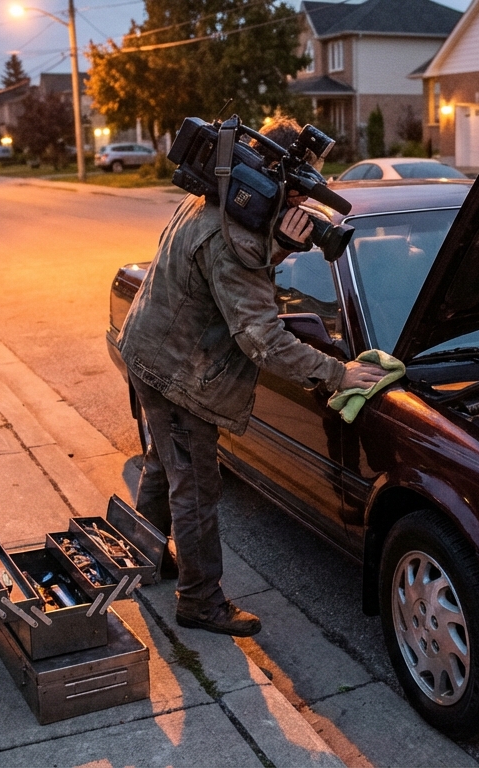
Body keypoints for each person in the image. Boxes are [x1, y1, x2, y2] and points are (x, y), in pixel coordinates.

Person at [119, 117, 387, 637]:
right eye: (297, 188)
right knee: (196, 486)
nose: (298, 203)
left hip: (149, 350)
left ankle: (141, 552)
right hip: (181, 373)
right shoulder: (236, 237)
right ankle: (199, 601)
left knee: (165, 464)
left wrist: (277, 245)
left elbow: (230, 276)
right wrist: (337, 373)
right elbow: (262, 338)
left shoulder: (212, 194)